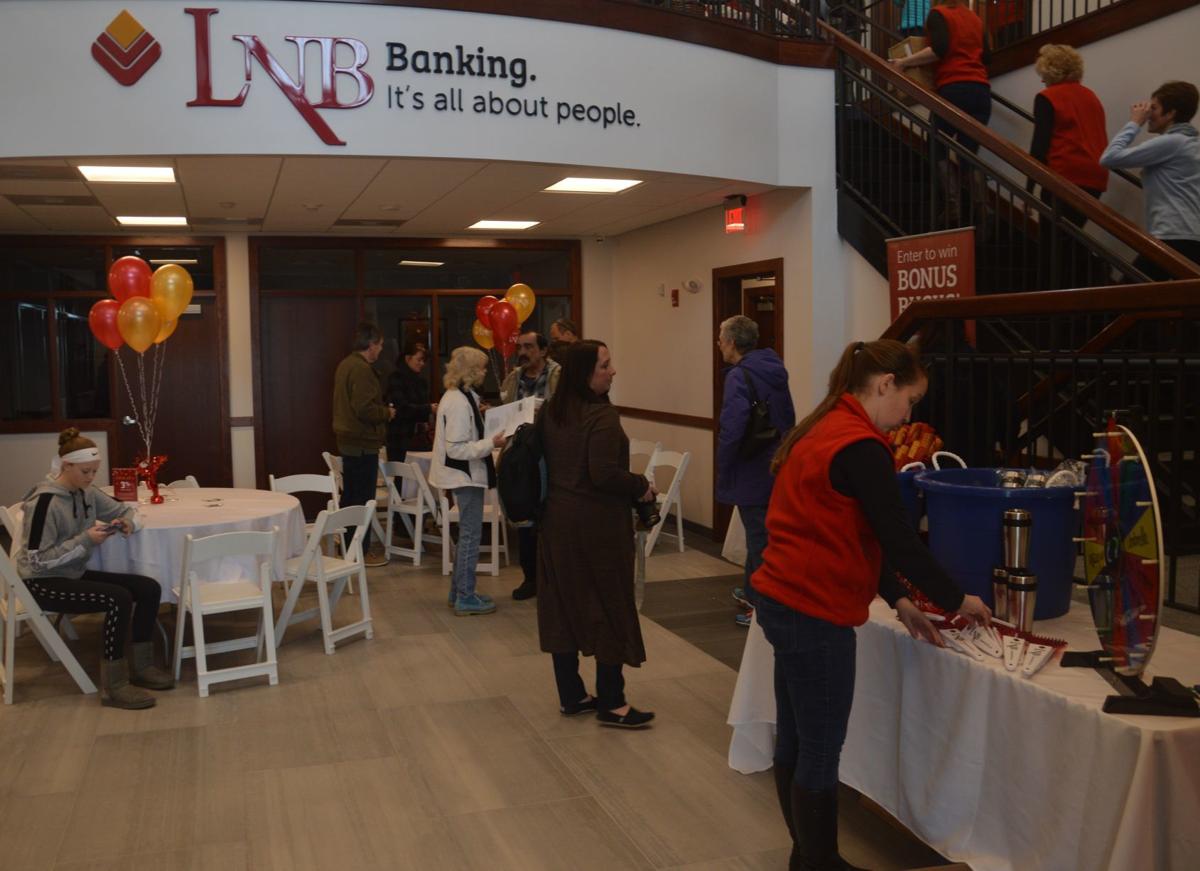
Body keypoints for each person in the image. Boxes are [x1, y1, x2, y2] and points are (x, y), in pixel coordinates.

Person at [752, 340, 990, 870]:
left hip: (783, 597)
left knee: (794, 737)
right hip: (814, 609)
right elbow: (900, 539)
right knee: (819, 748)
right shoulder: (860, 445)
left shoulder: (824, 424)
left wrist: (900, 598)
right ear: (885, 385)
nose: (908, 414)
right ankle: (819, 860)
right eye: (910, 400)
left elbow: (846, 531)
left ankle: (805, 856)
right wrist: (959, 599)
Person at [537, 340, 658, 728]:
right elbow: (603, 474)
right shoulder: (601, 418)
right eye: (604, 365)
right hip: (597, 527)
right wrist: (642, 484)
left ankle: (571, 695)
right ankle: (612, 701)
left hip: (556, 522)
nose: (613, 371)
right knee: (608, 606)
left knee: (563, 605)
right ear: (585, 374)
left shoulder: (551, 412)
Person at [16, 429, 175, 709]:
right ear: (66, 466)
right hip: (41, 583)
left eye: (94, 472)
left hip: (70, 574)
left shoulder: (86, 492)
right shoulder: (44, 503)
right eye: (85, 472)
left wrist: (128, 523)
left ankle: (142, 667)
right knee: (118, 598)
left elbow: (125, 509)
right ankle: (114, 685)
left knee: (148, 587)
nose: (91, 478)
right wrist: (85, 540)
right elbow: (36, 561)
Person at [715, 316, 795, 628]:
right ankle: (752, 592)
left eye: (721, 338)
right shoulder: (773, 368)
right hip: (775, 463)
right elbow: (788, 416)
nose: (718, 343)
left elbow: (733, 428)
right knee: (758, 532)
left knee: (760, 538)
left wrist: (723, 463)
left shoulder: (738, 376)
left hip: (750, 466)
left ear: (732, 342)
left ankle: (763, 607)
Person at [890, 0, 992, 225]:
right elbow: (987, 57)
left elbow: (939, 49)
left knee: (935, 143)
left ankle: (953, 205)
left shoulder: (939, 14)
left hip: (954, 88)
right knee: (967, 153)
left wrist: (904, 62)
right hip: (981, 92)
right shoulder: (976, 19)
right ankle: (982, 210)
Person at [429, 346, 507, 616]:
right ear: (472, 372)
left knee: (467, 535)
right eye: (483, 368)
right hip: (464, 475)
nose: (485, 372)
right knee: (471, 536)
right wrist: (491, 443)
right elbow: (457, 449)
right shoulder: (459, 403)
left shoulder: (460, 397)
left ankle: (459, 590)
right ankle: (465, 596)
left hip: (463, 475)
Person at [1100, 81, 1200, 280]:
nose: (1148, 114)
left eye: (1153, 108)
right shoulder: (1192, 143)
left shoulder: (1171, 142)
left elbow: (1109, 158)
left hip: (1173, 235)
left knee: (1131, 297)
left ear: (1170, 113)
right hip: (1191, 235)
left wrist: (1134, 123)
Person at [499, 330, 562, 601]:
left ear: (543, 350)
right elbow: (505, 409)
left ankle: (555, 577)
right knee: (524, 512)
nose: (523, 352)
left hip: (550, 454)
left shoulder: (558, 375)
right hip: (521, 455)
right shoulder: (514, 378)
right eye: (520, 347)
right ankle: (531, 578)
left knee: (550, 516)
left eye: (529, 347)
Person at [332, 322, 395, 568]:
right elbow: (364, 408)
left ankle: (349, 546)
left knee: (351, 497)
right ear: (370, 345)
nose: (380, 350)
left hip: (349, 442)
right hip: (362, 443)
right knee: (362, 499)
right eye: (379, 345)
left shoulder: (345, 365)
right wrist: (387, 413)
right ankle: (360, 549)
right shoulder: (362, 369)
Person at [385, 340, 435, 462]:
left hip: (420, 439)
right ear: (407, 358)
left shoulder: (422, 382)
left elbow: (422, 411)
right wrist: (429, 408)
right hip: (399, 439)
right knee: (401, 476)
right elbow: (402, 409)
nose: (422, 363)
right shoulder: (395, 379)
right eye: (419, 359)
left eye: (423, 360)